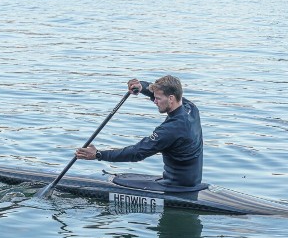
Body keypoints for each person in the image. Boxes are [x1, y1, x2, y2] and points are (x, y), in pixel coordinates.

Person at [75, 75, 203, 187]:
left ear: (171, 98)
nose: (154, 101)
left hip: (175, 187)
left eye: (158, 98)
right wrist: (141, 86)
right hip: (192, 182)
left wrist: (98, 154)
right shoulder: (190, 108)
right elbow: (153, 92)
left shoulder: (171, 129)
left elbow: (136, 153)